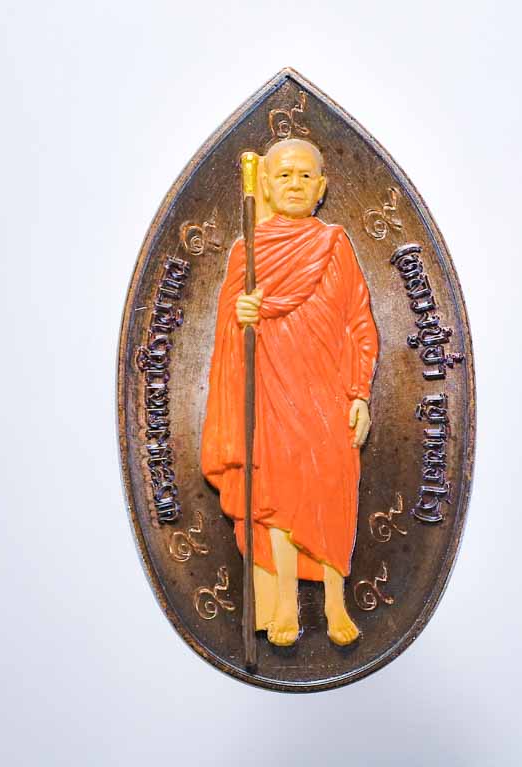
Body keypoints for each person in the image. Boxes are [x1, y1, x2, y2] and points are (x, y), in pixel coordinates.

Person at [201, 138, 379, 646]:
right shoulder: (249, 250)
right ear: (265, 185)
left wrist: (360, 393)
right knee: (278, 494)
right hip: (273, 388)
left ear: (321, 187)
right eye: (284, 175)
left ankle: (335, 603)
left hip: (328, 390)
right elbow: (229, 331)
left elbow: (358, 321)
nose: (295, 184)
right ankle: (283, 604)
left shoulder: (335, 244)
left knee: (332, 489)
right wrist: (241, 315)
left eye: (305, 176)